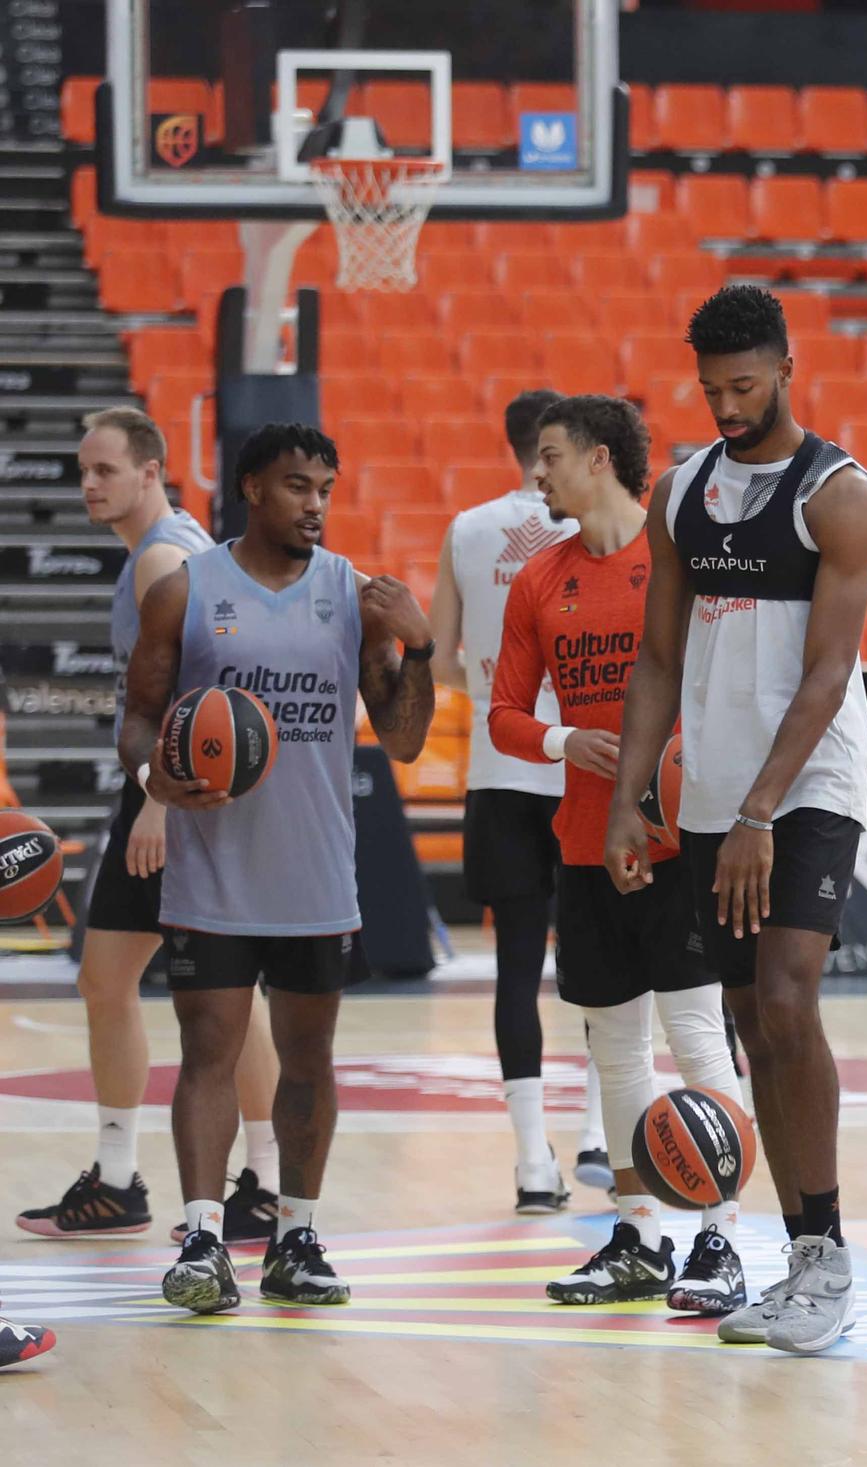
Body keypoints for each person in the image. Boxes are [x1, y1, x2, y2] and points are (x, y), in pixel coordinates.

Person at [604, 285, 867, 1356]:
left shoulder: (840, 494)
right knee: (749, 1022)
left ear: (785, 367)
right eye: (711, 388)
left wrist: (765, 807)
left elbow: (826, 671)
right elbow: (659, 660)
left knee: (785, 993)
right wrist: (634, 793)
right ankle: (798, 1255)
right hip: (715, 791)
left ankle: (831, 1261)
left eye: (745, 385)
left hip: (807, 781)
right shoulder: (681, 492)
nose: (726, 405)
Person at [120, 423, 436, 1314]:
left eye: (327, 489)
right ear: (253, 487)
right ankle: (202, 1239)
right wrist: (159, 779)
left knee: (310, 1060)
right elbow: (139, 716)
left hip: (315, 875)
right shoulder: (186, 591)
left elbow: (407, 741)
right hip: (213, 870)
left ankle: (295, 1235)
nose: (316, 506)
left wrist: (418, 649)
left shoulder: (356, 595)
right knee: (208, 1052)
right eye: (298, 486)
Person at [489, 394, 749, 1317]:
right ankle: (637, 1237)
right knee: (616, 1053)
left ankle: (720, 1239)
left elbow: (722, 690)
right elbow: (505, 717)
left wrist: (665, 774)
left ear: (601, 458)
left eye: (552, 455)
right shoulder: (538, 580)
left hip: (678, 842)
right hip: (587, 844)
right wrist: (568, 745)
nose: (538, 472)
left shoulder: (675, 560)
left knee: (696, 1038)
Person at [16, 408, 282, 1244]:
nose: (89, 483)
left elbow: (199, 688)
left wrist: (161, 801)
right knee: (110, 978)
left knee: (221, 994)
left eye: (104, 469)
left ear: (150, 468)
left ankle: (261, 1182)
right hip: (175, 780)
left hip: (179, 788)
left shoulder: (163, 554)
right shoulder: (170, 546)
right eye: (82, 470)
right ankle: (124, 1176)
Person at [429, 387, 614, 1211]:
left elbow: (437, 662)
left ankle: (532, 1163)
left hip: (501, 773)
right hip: (584, 769)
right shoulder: (588, 522)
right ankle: (601, 1136)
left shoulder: (468, 528)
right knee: (603, 958)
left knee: (515, 972)